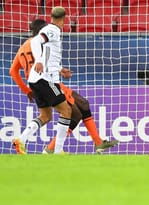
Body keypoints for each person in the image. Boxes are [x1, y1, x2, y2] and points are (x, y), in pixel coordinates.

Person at [10, 18, 118, 154]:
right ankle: (54, 150)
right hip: (47, 81)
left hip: (34, 84)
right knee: (73, 109)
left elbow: (13, 71)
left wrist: (26, 90)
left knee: (58, 114)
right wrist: (60, 70)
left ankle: (27, 142)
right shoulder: (41, 43)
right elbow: (47, 61)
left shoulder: (23, 47)